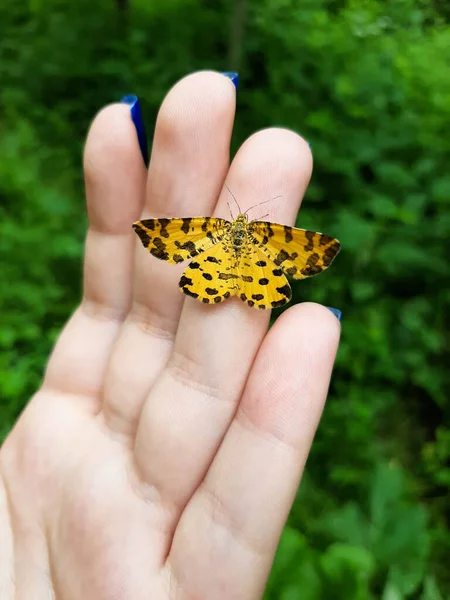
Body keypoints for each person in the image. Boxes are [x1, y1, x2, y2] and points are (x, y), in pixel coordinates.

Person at [0, 71, 341, 599]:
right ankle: (247, 282)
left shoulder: (211, 232)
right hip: (252, 265)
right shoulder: (270, 239)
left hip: (221, 263)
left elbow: (174, 240)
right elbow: (306, 251)